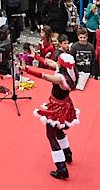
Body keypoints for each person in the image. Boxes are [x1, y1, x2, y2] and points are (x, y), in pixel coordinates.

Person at [33, 52, 79, 180]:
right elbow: (49, 62)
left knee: (51, 135)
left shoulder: (60, 78)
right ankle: (67, 153)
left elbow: (44, 76)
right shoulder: (71, 72)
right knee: (58, 130)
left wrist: (26, 69)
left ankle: (61, 167)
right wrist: (35, 56)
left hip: (56, 107)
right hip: (65, 104)